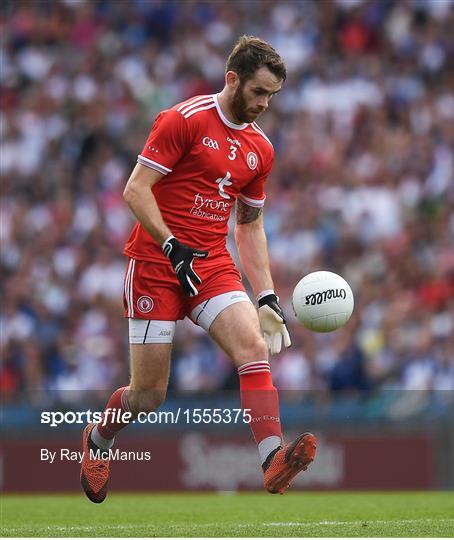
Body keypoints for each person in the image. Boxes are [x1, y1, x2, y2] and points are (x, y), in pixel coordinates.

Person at [80, 35, 317, 503]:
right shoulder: (182, 120)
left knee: (253, 346)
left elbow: (249, 227)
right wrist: (170, 245)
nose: (266, 104)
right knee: (149, 395)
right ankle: (98, 439)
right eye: (259, 93)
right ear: (233, 79)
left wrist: (266, 295)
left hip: (210, 264)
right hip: (155, 262)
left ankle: (272, 460)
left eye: (272, 96)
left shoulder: (260, 150)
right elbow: (135, 189)